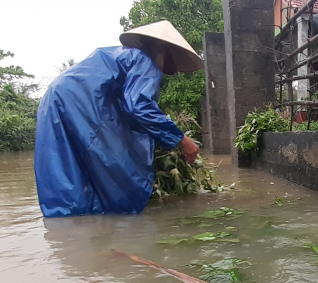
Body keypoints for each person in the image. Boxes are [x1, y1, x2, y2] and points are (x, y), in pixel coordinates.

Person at [34, 21, 201, 218]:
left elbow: (124, 109)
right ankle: (107, 226)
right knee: (113, 172)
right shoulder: (144, 61)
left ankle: (67, 235)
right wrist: (182, 140)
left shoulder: (119, 57)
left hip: (54, 102)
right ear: (163, 49)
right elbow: (140, 107)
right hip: (79, 106)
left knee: (69, 176)